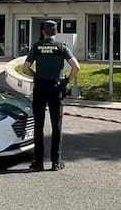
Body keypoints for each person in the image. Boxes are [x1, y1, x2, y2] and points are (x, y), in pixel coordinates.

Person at [23, 20, 80, 171]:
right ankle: (56, 161)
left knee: (38, 125)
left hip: (40, 87)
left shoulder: (36, 47)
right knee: (56, 125)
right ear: (56, 32)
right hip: (56, 87)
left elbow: (25, 68)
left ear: (43, 32)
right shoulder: (62, 47)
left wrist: (36, 75)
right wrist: (66, 81)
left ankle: (38, 162)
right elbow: (76, 67)